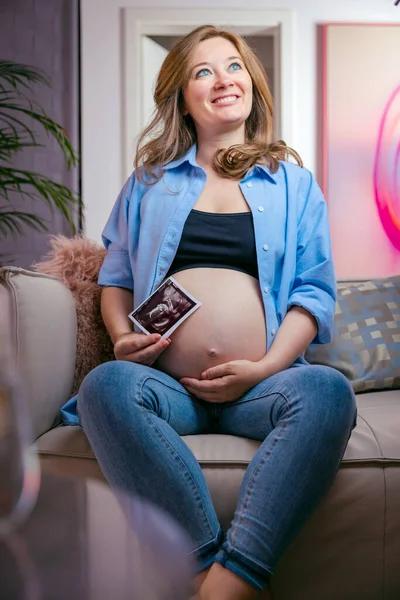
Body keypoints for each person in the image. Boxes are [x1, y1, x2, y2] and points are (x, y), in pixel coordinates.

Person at [77, 25, 357, 600]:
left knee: (329, 394)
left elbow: (313, 293)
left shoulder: (293, 185)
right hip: (168, 384)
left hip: (262, 388)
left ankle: (231, 580)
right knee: (104, 387)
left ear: (252, 83)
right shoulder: (148, 184)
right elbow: (116, 279)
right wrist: (120, 336)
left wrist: (264, 368)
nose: (222, 80)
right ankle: (213, 575)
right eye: (202, 71)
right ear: (182, 96)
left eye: (233, 66)